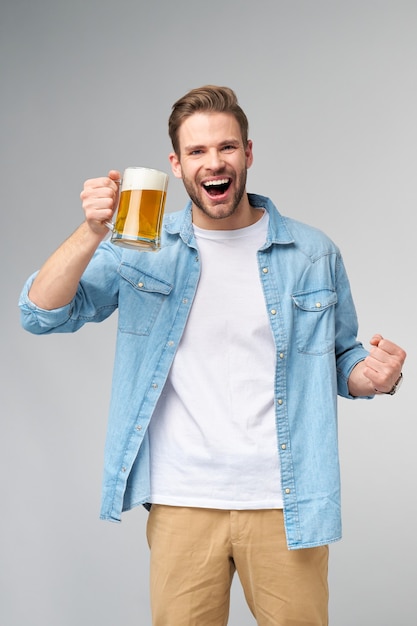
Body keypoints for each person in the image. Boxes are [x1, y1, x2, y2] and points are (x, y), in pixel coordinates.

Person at [19, 85, 406, 626]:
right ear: (176, 165)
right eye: (197, 152)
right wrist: (90, 233)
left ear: (248, 154)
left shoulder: (312, 252)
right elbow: (40, 313)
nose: (214, 162)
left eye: (226, 147)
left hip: (285, 502)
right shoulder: (143, 247)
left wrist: (378, 376)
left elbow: (344, 361)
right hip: (182, 501)